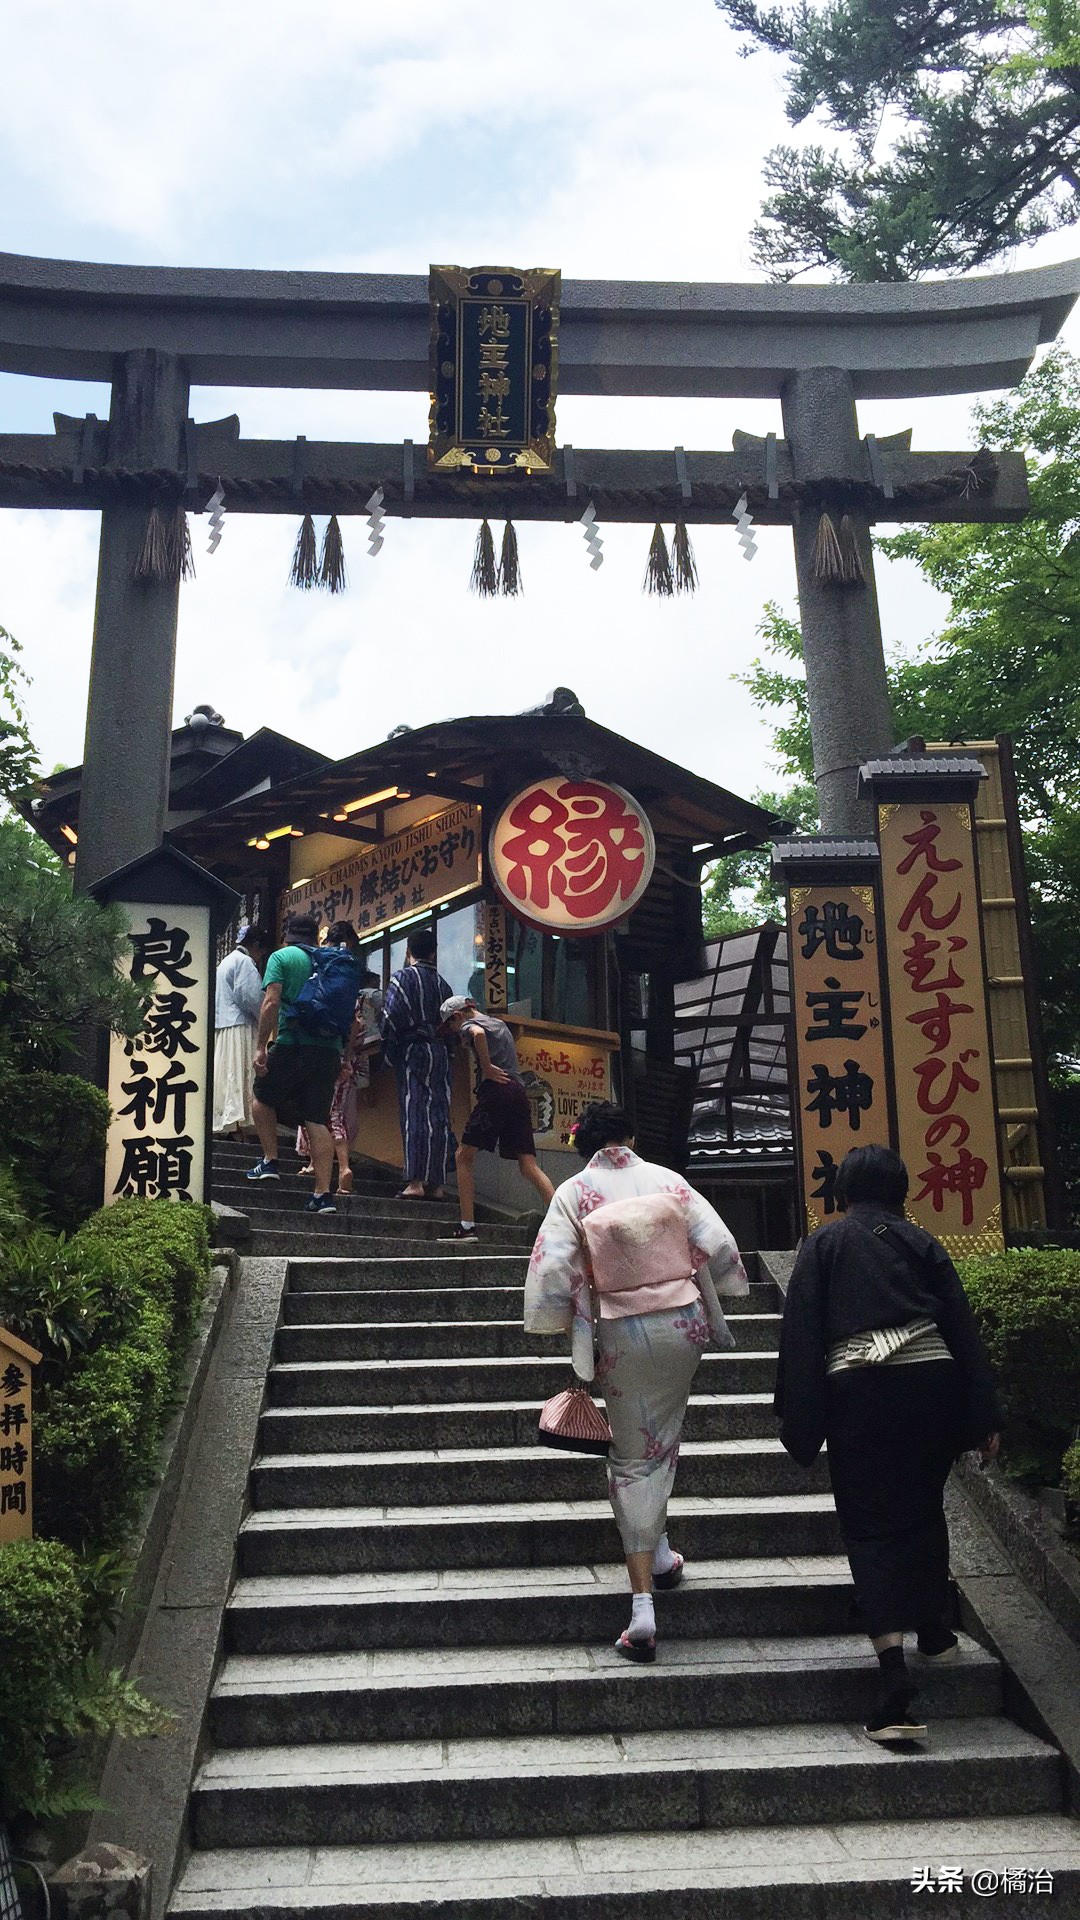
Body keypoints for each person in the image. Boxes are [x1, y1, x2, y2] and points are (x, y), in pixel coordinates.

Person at [774, 1143, 1004, 1747]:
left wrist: (800, 1419)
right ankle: (935, 1630)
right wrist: (985, 1413)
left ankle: (895, 1682)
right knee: (924, 1506)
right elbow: (960, 1324)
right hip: (934, 1384)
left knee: (871, 1526)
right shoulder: (921, 1242)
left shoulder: (824, 1243)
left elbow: (801, 1333)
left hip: (860, 1389)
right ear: (902, 1192)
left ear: (843, 1191)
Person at [525, 1100, 747, 1662]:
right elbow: (717, 1243)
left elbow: (552, 1268)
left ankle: (642, 1611)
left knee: (632, 1455)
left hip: (622, 1331)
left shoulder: (574, 1193)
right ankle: (664, 1555)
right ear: (630, 1135)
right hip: (682, 1324)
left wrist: (561, 1316)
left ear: (585, 1143)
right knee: (659, 1439)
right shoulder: (667, 1180)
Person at [247, 912, 350, 1214]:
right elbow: (350, 1016)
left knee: (261, 1097)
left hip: (292, 1042)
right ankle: (322, 1194)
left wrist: (261, 1047)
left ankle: (270, 1161)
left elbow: (271, 1002)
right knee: (317, 1119)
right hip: (328, 1050)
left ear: (288, 934)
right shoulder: (332, 962)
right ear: (315, 935)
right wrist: (343, 1055)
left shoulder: (282, 958)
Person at [436, 995, 555, 1242]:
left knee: (463, 1156)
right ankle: (565, 1219)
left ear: (458, 1016)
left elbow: (476, 1033)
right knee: (528, 1164)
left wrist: (487, 1068)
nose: (453, 1031)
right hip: (518, 1090)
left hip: (496, 1091)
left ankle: (467, 1226)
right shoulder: (499, 1024)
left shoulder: (470, 1026)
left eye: (450, 1025)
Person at [297, 926, 383, 1193]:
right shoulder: (352, 989)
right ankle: (341, 1166)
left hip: (316, 1051)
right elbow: (356, 1025)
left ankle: (325, 1164)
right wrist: (347, 1057)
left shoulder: (317, 975)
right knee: (335, 1112)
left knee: (315, 1109)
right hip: (343, 1055)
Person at [379, 928, 455, 1199]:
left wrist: (389, 1052)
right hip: (441, 1051)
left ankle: (415, 1182)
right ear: (433, 953)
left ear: (408, 951)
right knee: (439, 1112)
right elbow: (453, 1021)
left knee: (414, 1109)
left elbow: (391, 1016)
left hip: (413, 1050)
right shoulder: (442, 983)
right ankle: (437, 1183)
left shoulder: (402, 978)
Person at [212, 925, 269, 1135]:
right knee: (241, 1070)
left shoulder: (226, 962)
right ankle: (238, 1121)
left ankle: (227, 1122)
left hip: (224, 1024)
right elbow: (252, 997)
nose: (260, 957)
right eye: (261, 951)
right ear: (255, 946)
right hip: (240, 1024)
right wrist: (267, 1017)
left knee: (227, 1072)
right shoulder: (244, 962)